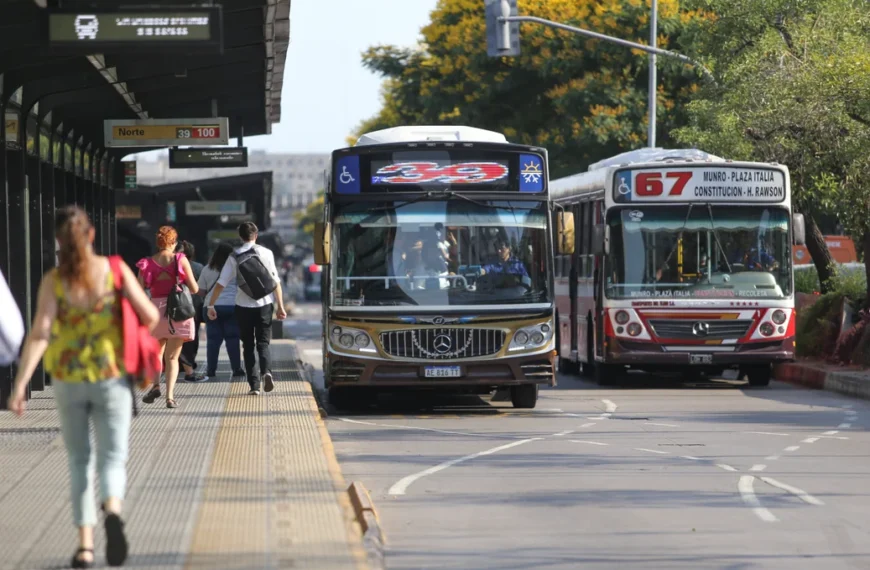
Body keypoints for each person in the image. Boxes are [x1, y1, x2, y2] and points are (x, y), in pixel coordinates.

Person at [7, 206, 159, 569]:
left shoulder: (54, 281)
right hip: (111, 377)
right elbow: (151, 317)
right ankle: (112, 510)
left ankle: (86, 547)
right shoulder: (116, 270)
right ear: (91, 235)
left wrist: (20, 386)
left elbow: (41, 334)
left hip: (68, 380)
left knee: (79, 460)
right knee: (112, 456)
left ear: (58, 241)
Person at [206, 223, 287, 395]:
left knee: (248, 346)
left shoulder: (233, 256)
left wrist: (211, 304)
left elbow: (221, 283)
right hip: (265, 304)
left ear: (240, 236)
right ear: (256, 235)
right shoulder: (267, 253)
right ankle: (267, 372)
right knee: (263, 343)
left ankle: (254, 386)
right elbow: (275, 282)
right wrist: (280, 306)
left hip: (243, 306)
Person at [136, 226, 200, 408]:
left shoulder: (146, 263)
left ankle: (156, 385)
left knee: (157, 354)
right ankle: (170, 397)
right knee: (172, 358)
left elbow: (139, 290)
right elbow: (194, 289)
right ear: (173, 242)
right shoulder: (180, 260)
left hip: (155, 312)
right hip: (177, 311)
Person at [196, 242, 244, 381]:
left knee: (213, 340)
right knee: (232, 339)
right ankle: (236, 369)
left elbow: (201, 291)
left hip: (211, 307)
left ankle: (211, 371)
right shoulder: (236, 268)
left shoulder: (207, 269)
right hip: (231, 306)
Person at [178, 240, 204, 381]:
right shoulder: (199, 267)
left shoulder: (173, 266)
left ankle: (183, 363)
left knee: (177, 336)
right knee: (192, 336)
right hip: (194, 306)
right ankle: (189, 362)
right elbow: (200, 288)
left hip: (177, 305)